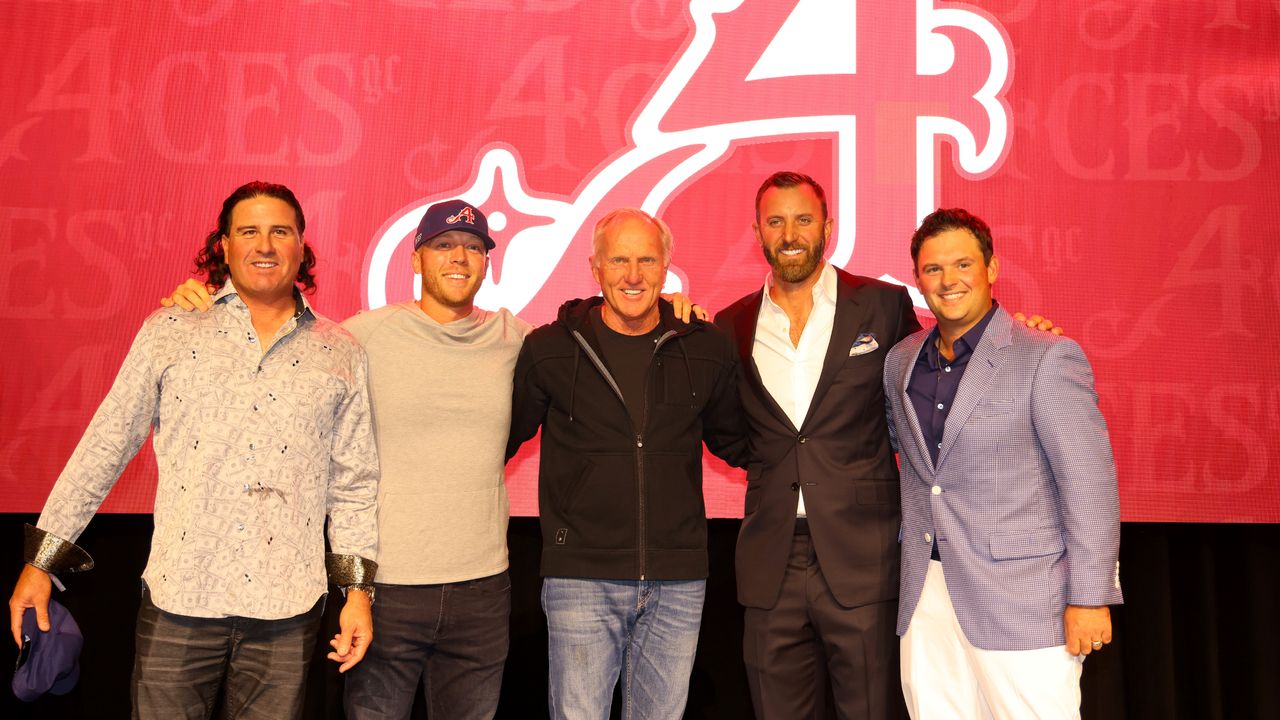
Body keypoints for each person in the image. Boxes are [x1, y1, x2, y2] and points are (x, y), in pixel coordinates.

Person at [7, 181, 379, 720]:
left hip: (289, 608)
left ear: (303, 247)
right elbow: (104, 447)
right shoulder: (172, 330)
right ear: (223, 246)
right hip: (180, 600)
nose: (265, 245)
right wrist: (43, 561)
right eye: (248, 231)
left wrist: (358, 593)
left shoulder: (341, 350)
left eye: (281, 231)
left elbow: (354, 483)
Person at [164, 198, 530, 720]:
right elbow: (276, 339)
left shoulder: (514, 339)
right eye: (443, 245)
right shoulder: (360, 335)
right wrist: (208, 305)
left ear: (488, 262)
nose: (459, 257)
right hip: (384, 589)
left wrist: (679, 310)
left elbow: (591, 338)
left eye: (473, 247)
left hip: (483, 590)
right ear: (416, 258)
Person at [506, 208, 748, 719]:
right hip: (580, 579)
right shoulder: (549, 349)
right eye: (619, 260)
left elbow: (740, 443)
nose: (633, 275)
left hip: (678, 581)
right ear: (595, 268)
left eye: (646, 260)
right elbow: (497, 441)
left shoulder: (706, 348)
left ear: (666, 268)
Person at [884, 208, 1122, 719]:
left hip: (1024, 601)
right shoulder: (901, 361)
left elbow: (1089, 483)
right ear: (917, 279)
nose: (949, 280)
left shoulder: (1045, 356)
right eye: (933, 269)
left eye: (963, 264)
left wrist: (1091, 596)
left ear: (991, 269)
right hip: (926, 597)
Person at [715, 171, 921, 719]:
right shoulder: (729, 324)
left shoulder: (883, 305)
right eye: (775, 221)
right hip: (770, 563)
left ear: (828, 227)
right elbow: (732, 432)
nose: (790, 234)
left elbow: (936, 373)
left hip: (863, 559)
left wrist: (1014, 333)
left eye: (803, 220)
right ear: (757, 230)